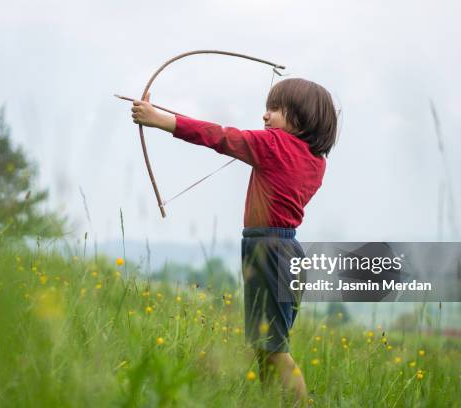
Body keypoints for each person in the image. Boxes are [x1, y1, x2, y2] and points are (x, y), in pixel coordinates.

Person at [131, 78, 338, 405]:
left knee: (275, 349)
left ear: (300, 116)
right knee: (264, 345)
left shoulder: (276, 146)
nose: (265, 116)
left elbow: (220, 136)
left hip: (270, 250)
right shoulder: (316, 161)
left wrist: (158, 119)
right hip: (283, 250)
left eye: (275, 109)